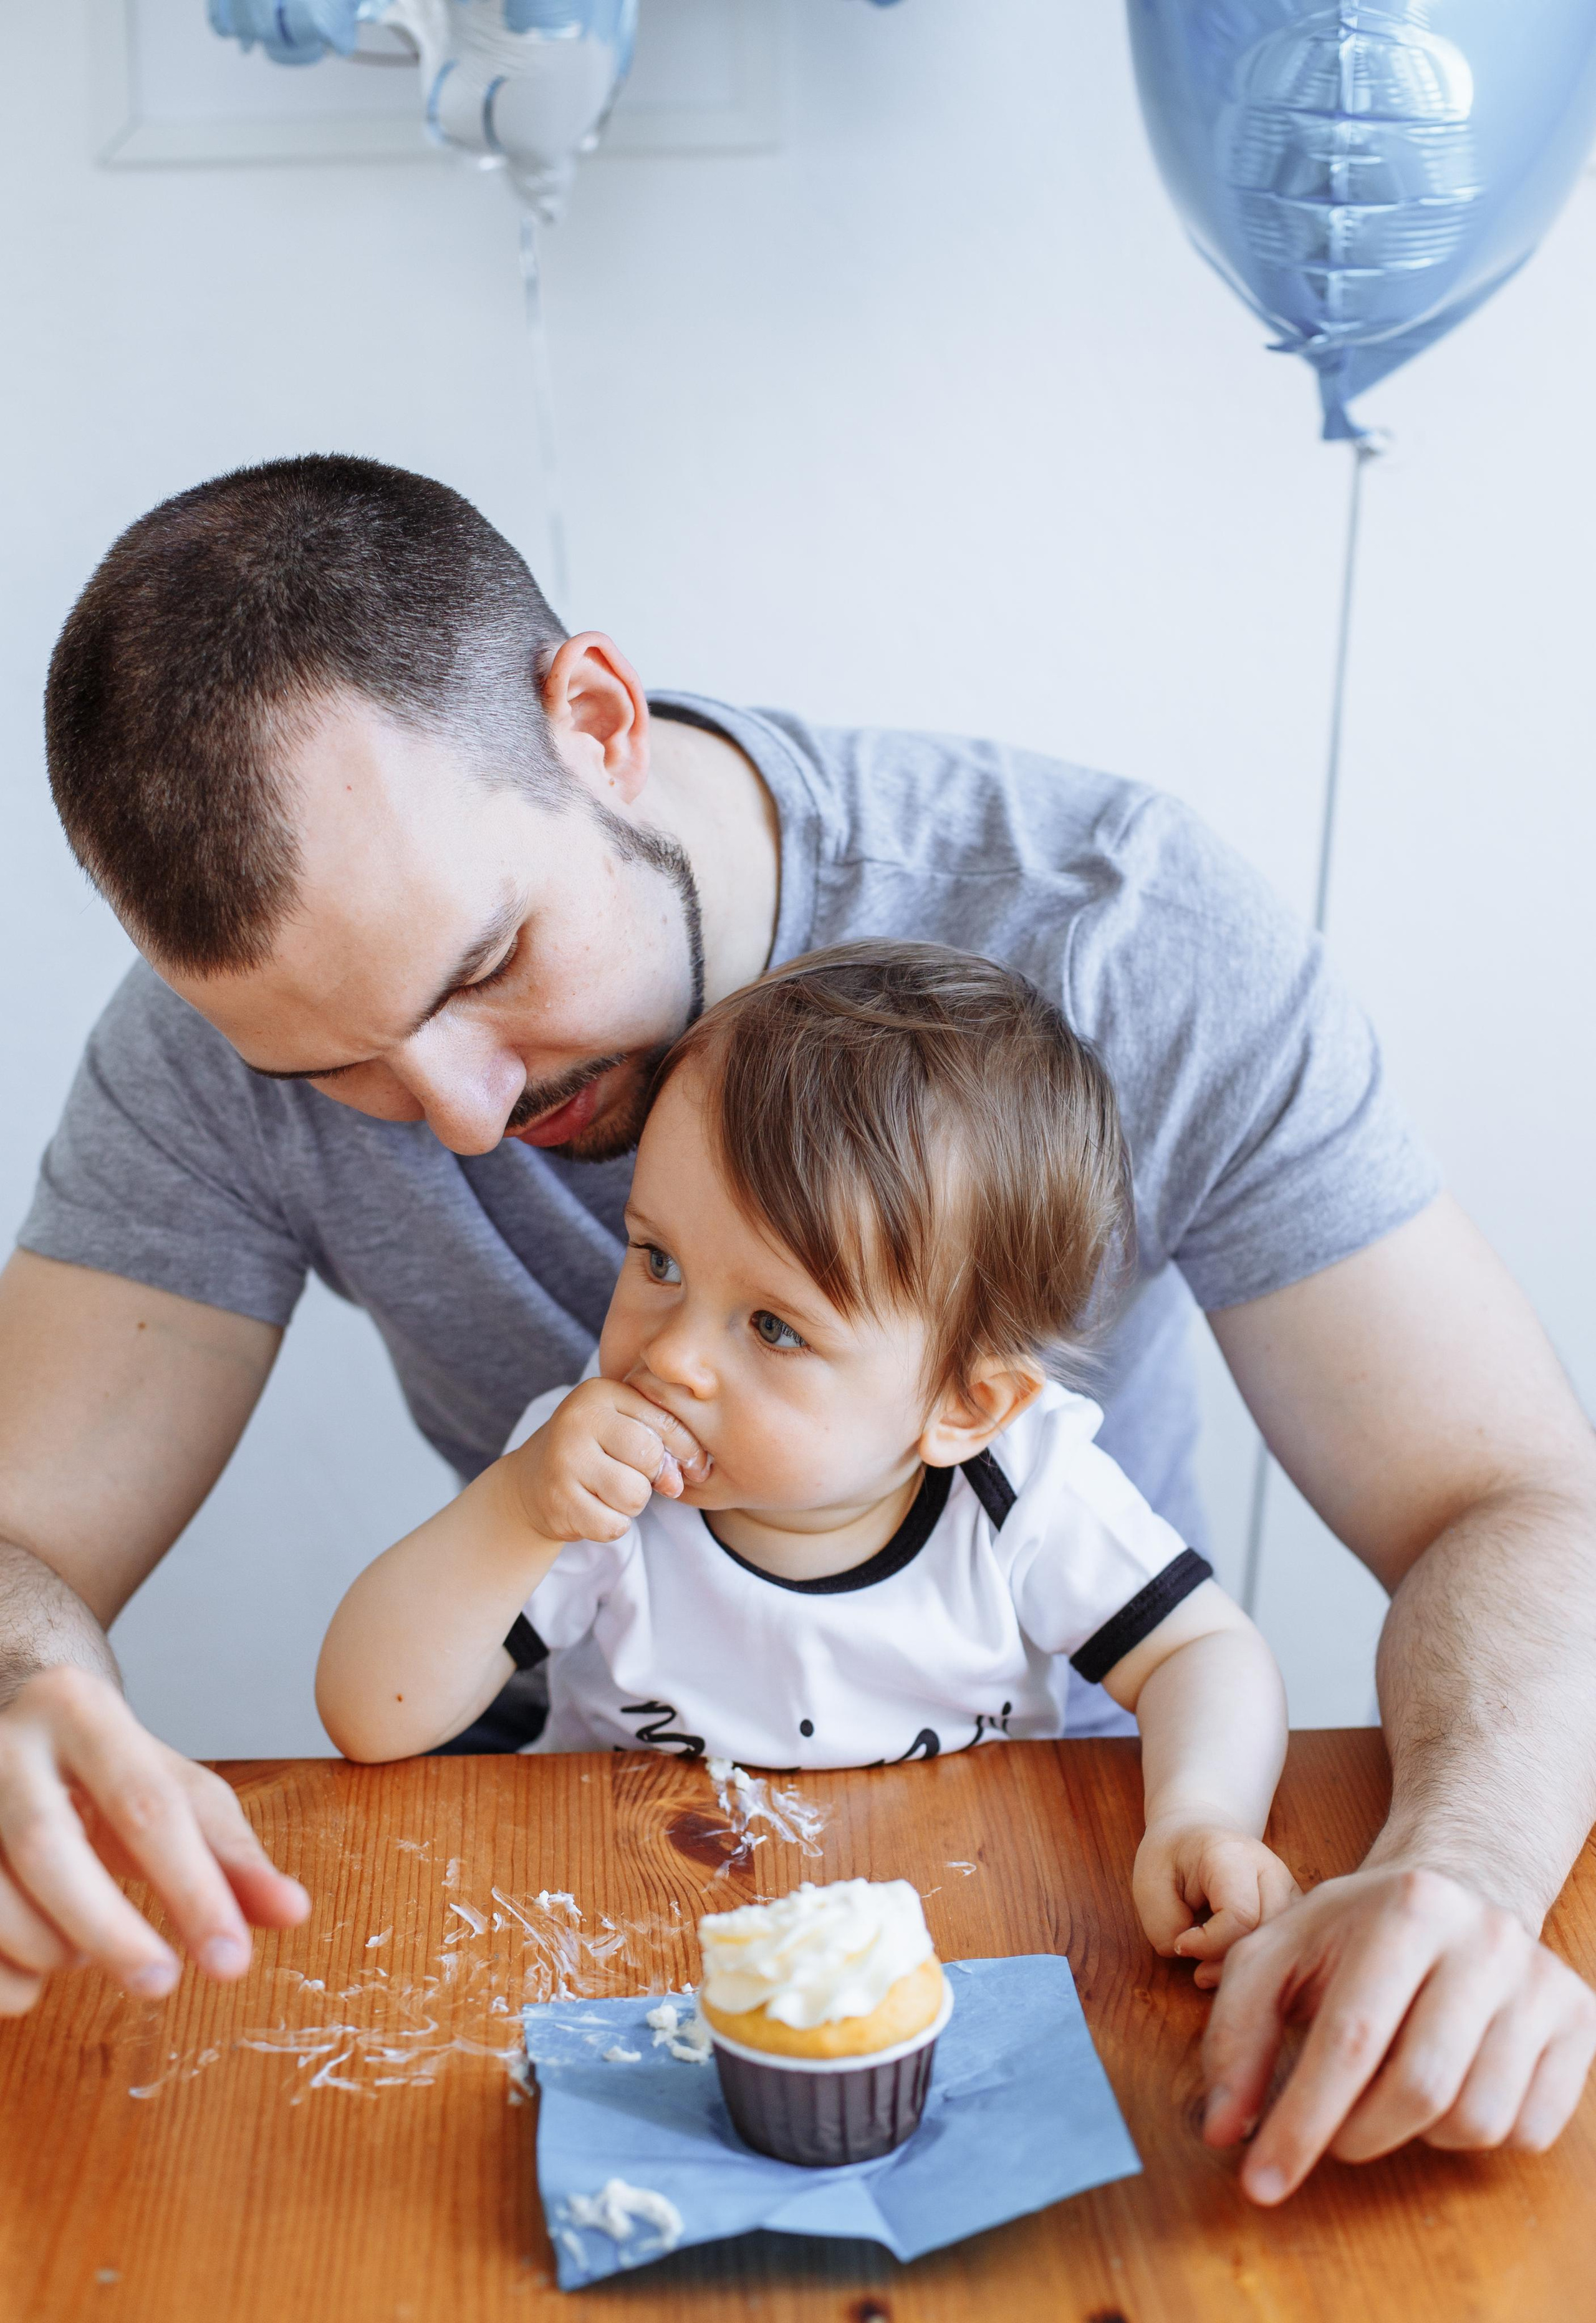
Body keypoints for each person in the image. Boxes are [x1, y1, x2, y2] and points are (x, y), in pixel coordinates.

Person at [1, 455, 1592, 2205]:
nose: (453, 1114)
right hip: (606, 1902)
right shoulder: (218, 1040)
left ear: (595, 717)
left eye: (483, 968)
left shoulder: (1121, 930)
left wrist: (1473, 1866)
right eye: (333, 1073)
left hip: (1058, 1911)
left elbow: (1513, 1500)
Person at [317, 943, 1299, 1989]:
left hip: (956, 1929)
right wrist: (517, 1508)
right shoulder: (589, 1473)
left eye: (776, 1327)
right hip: (627, 1931)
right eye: (658, 1260)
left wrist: (1203, 1812)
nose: (674, 1356)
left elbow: (1204, 1651)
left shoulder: (1021, 1484)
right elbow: (372, 1717)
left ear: (963, 1405)